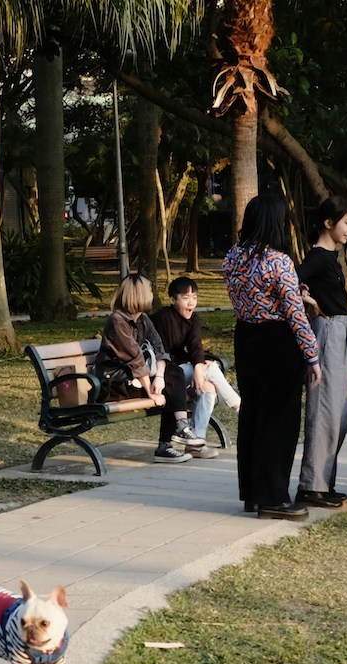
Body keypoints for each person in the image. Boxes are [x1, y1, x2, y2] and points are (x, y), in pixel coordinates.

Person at [222, 193, 321, 521]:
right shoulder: (278, 261)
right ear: (275, 222)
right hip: (279, 342)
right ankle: (274, 498)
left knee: (252, 415)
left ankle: (251, 493)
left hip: (246, 338)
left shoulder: (232, 257)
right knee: (278, 422)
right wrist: (312, 356)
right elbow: (295, 313)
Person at [96, 273, 205, 464]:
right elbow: (135, 359)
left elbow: (159, 348)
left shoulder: (143, 319)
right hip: (116, 382)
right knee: (171, 386)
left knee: (173, 373)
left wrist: (160, 376)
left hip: (138, 376)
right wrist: (151, 391)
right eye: (148, 289)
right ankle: (166, 445)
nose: (151, 292)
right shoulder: (117, 321)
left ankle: (179, 426)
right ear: (137, 294)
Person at [295, 196, 347, 508]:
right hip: (328, 332)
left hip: (339, 332)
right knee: (324, 410)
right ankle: (311, 486)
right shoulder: (319, 256)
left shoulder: (331, 257)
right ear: (328, 223)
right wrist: (312, 304)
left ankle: (323, 483)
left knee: (338, 412)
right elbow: (290, 281)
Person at [151, 276, 242, 460]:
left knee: (208, 388)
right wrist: (199, 367)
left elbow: (195, 346)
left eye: (194, 297)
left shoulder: (193, 319)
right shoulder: (163, 318)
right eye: (185, 297)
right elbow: (163, 354)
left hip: (177, 372)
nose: (191, 302)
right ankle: (238, 405)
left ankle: (196, 443)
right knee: (211, 369)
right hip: (163, 374)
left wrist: (198, 367)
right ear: (173, 300)